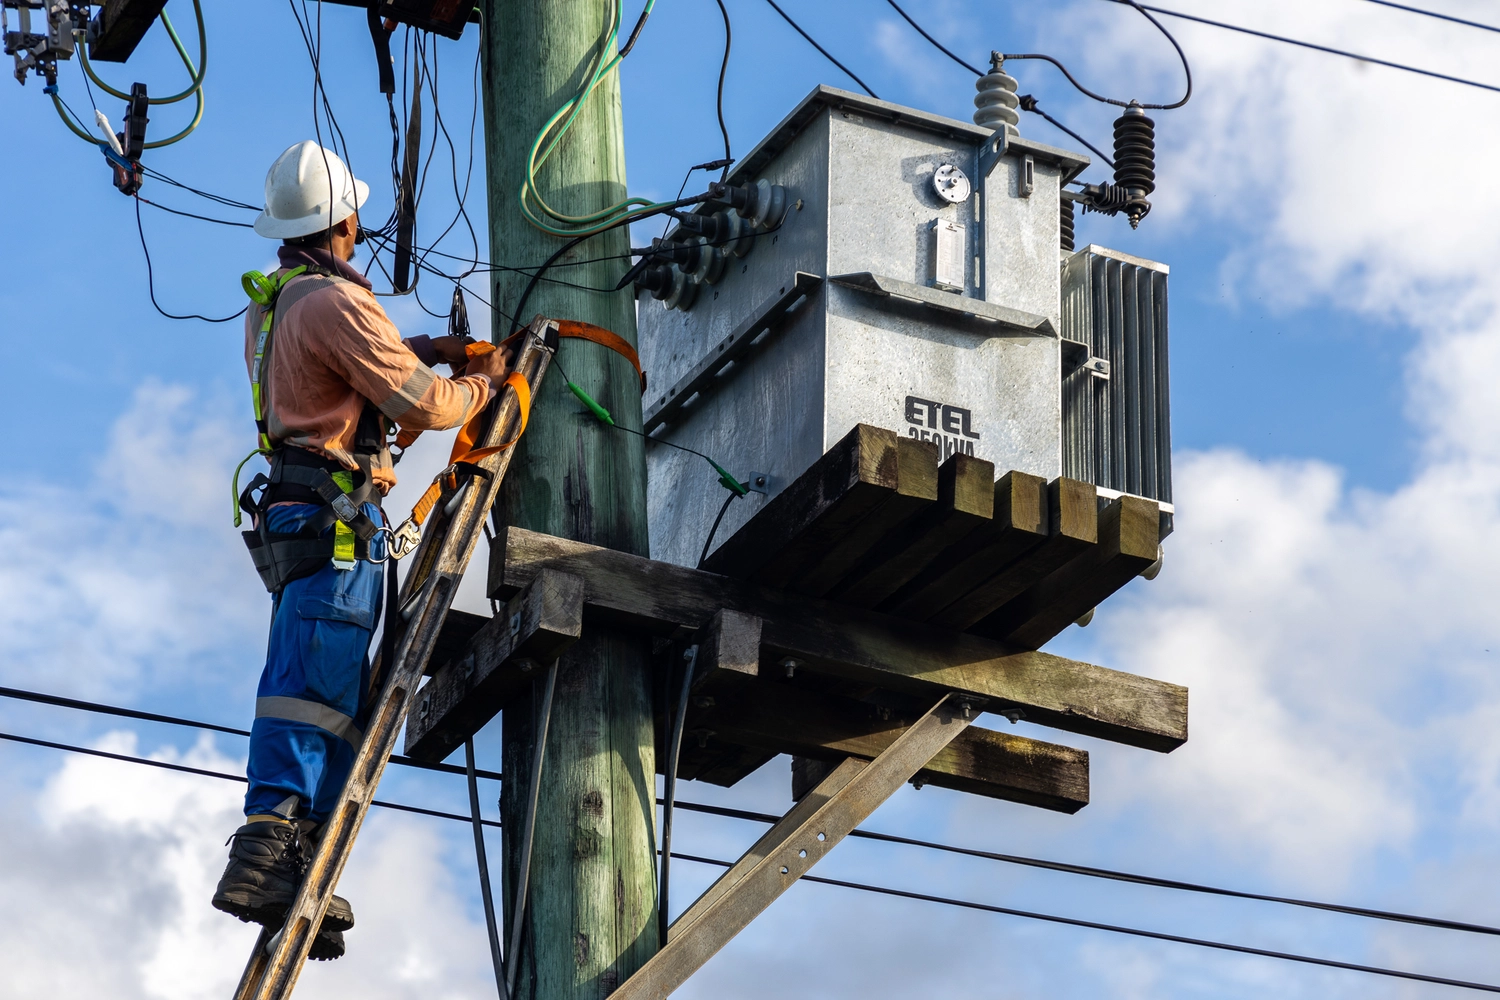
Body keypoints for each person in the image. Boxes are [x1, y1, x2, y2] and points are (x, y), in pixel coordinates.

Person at [211, 141, 510, 960]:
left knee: (329, 688)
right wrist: (492, 380)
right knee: (315, 689)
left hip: (302, 513)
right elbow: (435, 408)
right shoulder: (338, 306)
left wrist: (418, 345)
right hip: (334, 526)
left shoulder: (276, 304)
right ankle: (269, 849)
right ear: (346, 220)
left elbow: (335, 379)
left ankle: (297, 857)